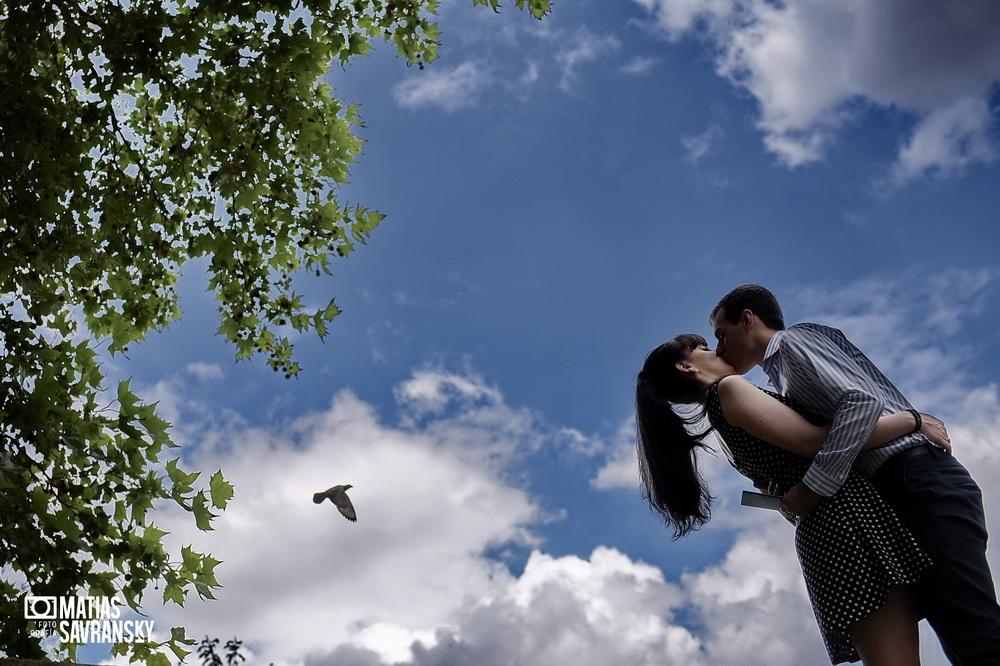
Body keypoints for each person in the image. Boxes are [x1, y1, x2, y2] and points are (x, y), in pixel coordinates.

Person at [710, 284, 1000, 664]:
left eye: (720, 334)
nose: (718, 349)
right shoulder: (784, 369)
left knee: (972, 630)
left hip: (917, 479)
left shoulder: (792, 345)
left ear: (747, 319)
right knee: (960, 634)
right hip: (908, 487)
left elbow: (862, 403)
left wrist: (813, 487)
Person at [637, 334, 949, 664]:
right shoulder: (729, 390)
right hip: (845, 523)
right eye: (704, 349)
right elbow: (821, 442)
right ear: (686, 366)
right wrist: (912, 420)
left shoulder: (722, 423)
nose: (717, 351)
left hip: (832, 527)